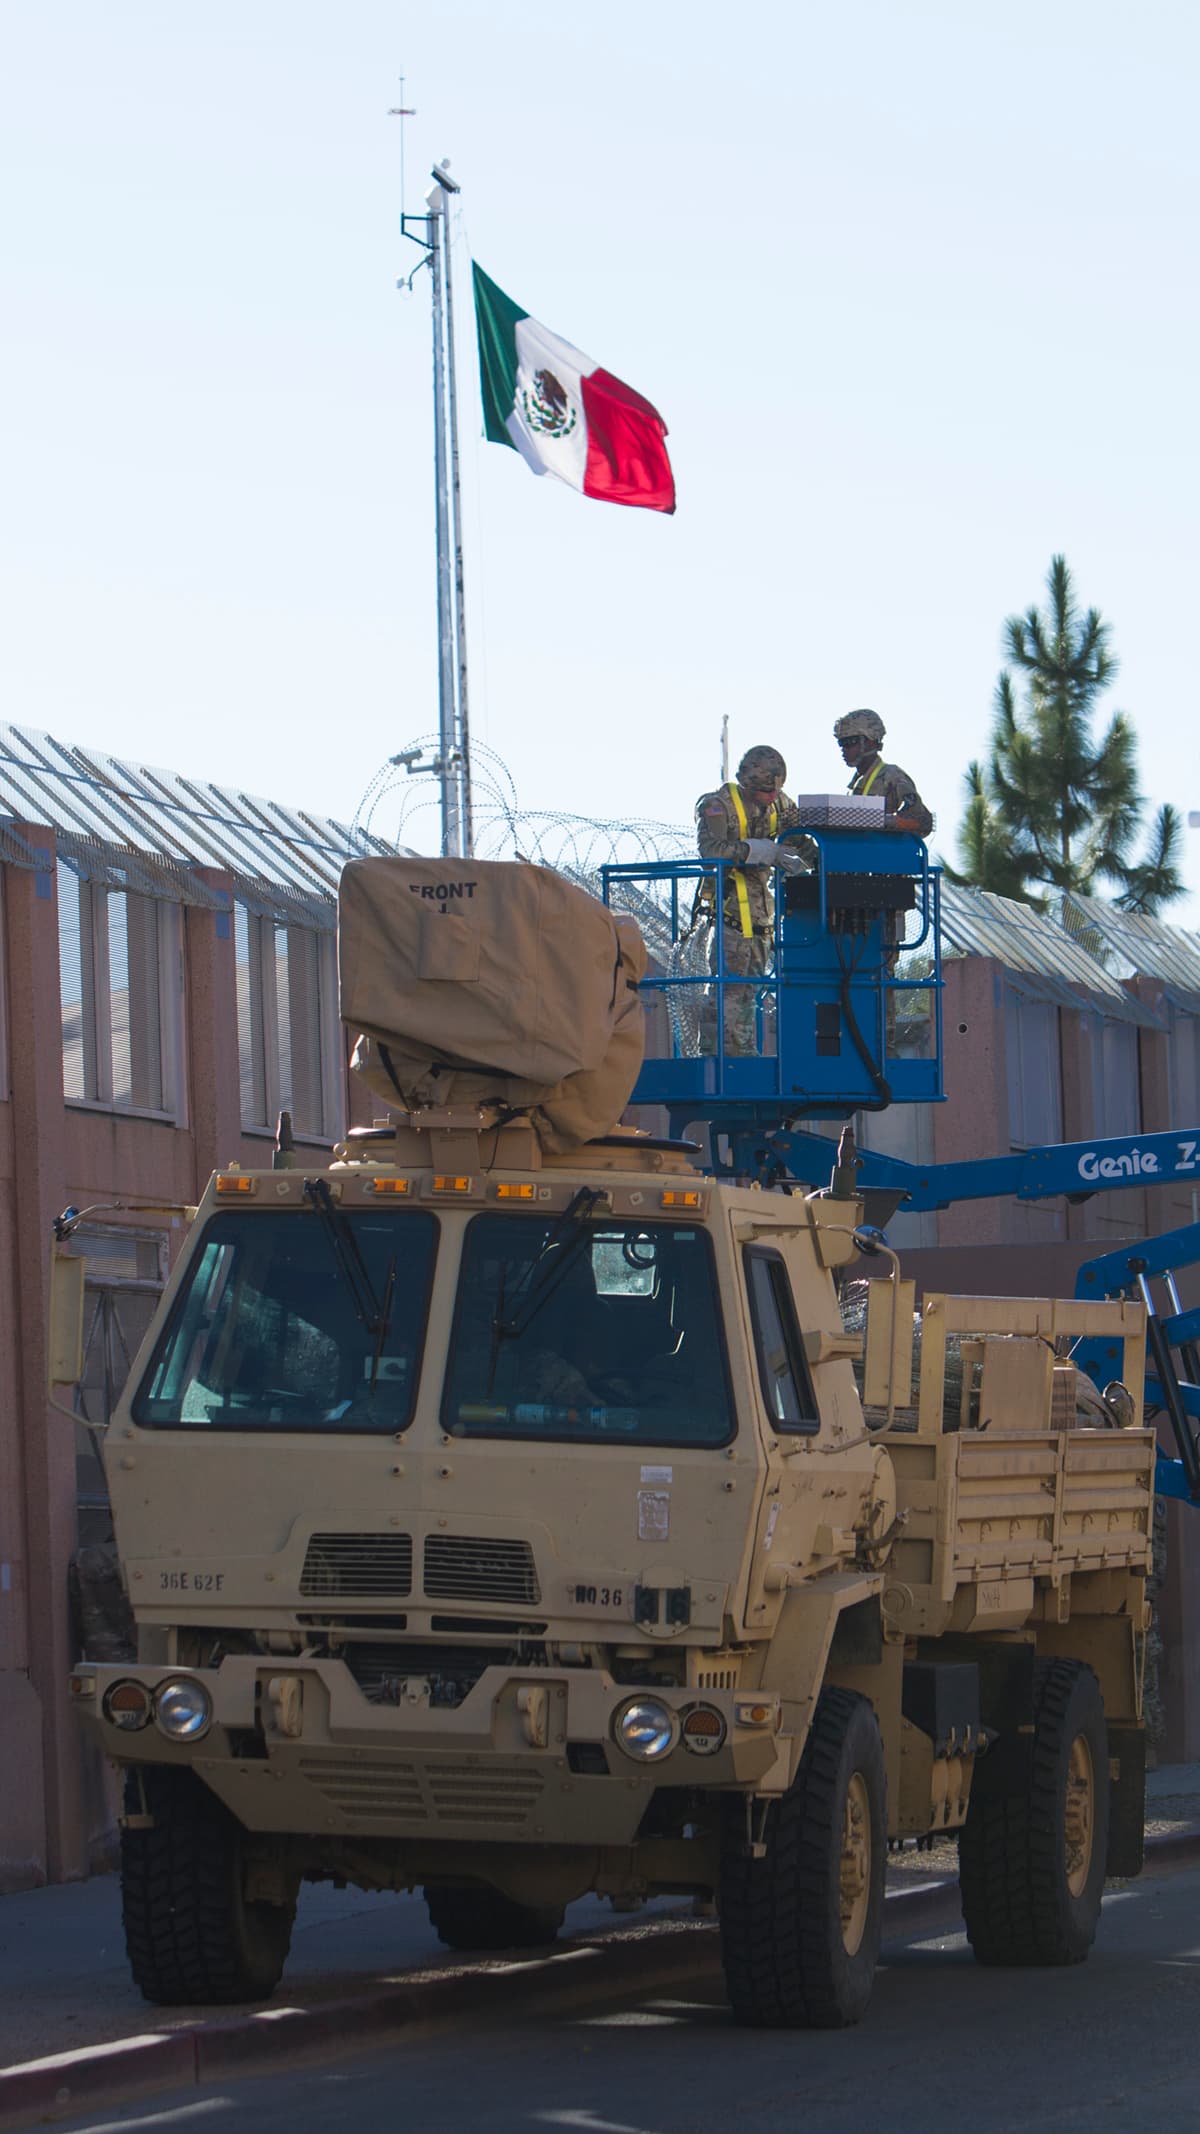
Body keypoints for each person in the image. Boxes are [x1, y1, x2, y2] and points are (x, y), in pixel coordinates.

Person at [695, 746, 812, 1056]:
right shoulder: (718, 806)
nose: (771, 797)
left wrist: (819, 863)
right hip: (730, 914)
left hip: (762, 918)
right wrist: (754, 851)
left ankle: (742, 1053)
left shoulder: (779, 804)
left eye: (776, 790)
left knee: (750, 994)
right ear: (747, 783)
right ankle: (716, 1057)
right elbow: (710, 852)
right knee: (727, 992)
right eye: (765, 791)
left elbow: (800, 840)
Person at [832, 709, 933, 836]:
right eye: (841, 743)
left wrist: (885, 822)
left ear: (870, 742)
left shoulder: (892, 776)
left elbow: (922, 821)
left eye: (849, 742)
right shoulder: (857, 784)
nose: (843, 749)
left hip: (883, 848)